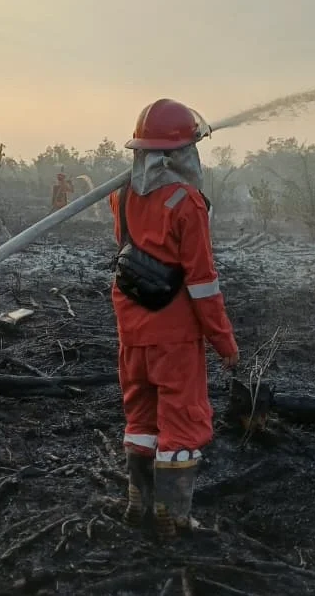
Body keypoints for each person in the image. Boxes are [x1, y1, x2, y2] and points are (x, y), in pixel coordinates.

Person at [109, 98, 240, 541]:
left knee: (141, 417)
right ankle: (173, 513)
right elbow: (202, 283)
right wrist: (224, 342)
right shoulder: (188, 204)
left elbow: (129, 249)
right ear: (182, 153)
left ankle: (138, 499)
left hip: (132, 331)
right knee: (181, 420)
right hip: (176, 334)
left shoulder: (121, 194)